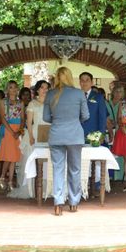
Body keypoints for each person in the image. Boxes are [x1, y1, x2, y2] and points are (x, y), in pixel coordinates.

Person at [43, 67, 89, 216]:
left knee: (58, 169)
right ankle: (74, 203)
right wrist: (74, 120)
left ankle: (58, 203)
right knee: (75, 169)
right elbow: (85, 115)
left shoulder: (50, 94)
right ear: (70, 77)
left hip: (56, 134)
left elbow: (46, 118)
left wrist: (59, 120)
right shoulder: (79, 93)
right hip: (75, 135)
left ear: (57, 77)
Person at [10, 80, 50, 199]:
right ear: (37, 90)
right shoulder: (33, 103)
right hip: (35, 132)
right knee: (32, 161)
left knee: (47, 161)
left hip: (48, 132)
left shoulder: (51, 102)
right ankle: (30, 189)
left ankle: (46, 189)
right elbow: (28, 122)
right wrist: (31, 136)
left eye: (46, 88)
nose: (44, 90)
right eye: (42, 88)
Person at [79, 72, 109, 190]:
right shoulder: (76, 96)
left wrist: (101, 134)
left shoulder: (98, 97)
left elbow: (102, 118)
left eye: (87, 80)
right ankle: (81, 185)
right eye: (82, 80)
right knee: (79, 161)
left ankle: (95, 185)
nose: (84, 82)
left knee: (95, 163)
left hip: (93, 135)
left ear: (91, 82)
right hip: (77, 134)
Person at [0, 80, 24, 192]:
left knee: (14, 158)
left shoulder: (20, 102)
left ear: (17, 89)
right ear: (7, 89)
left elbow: (22, 119)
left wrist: (20, 130)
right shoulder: (2, 102)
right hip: (8, 130)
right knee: (8, 156)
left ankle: (11, 180)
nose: (13, 89)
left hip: (17, 130)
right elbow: (2, 118)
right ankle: (2, 177)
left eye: (15, 87)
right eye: (10, 87)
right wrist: (12, 132)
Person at [105, 83, 125, 183]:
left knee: (119, 153)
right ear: (113, 92)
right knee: (109, 152)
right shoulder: (107, 103)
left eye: (121, 91)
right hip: (108, 130)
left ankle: (119, 176)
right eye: (116, 91)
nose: (118, 93)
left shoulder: (124, 104)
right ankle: (109, 175)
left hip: (119, 130)